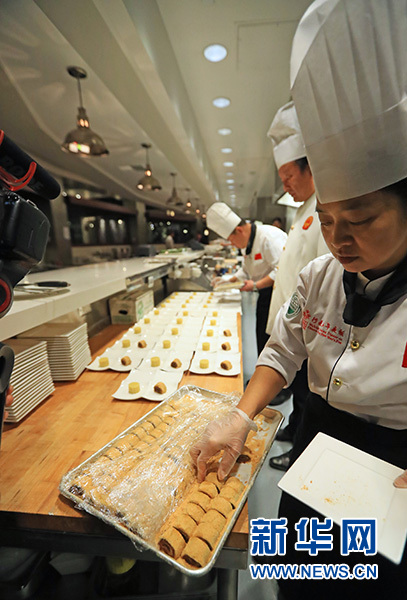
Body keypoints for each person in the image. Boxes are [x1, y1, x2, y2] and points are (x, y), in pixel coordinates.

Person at [191, 1, 407, 596]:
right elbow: (283, 352)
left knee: (363, 583)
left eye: (360, 220)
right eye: (329, 220)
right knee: (294, 572)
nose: (339, 240)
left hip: (394, 467)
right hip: (315, 441)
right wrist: (240, 416)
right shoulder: (318, 275)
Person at [265, 101, 329, 471]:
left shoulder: (324, 210)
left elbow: (325, 277)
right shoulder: (302, 211)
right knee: (299, 391)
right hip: (293, 324)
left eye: (289, 175)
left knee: (307, 393)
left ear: (310, 168)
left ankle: (299, 451)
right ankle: (293, 429)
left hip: (309, 328)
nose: (285, 184)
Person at [206, 202, 286, 354]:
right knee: (261, 337)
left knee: (272, 342)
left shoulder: (268, 237)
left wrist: (255, 285)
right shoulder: (247, 242)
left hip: (279, 298)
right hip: (264, 294)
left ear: (239, 230)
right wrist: (228, 281)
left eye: (232, 240)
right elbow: (246, 269)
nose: (233, 244)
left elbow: (281, 270)